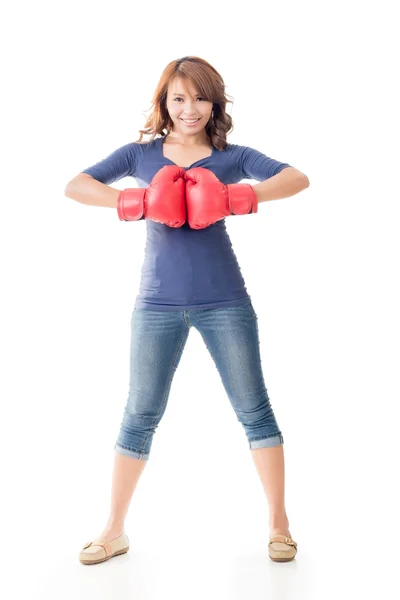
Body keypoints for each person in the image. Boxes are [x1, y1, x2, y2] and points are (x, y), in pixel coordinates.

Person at [64, 56, 309, 565]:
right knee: (139, 416)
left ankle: (280, 526)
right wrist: (133, 203)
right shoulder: (142, 155)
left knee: (255, 411)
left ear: (213, 103)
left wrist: (241, 196)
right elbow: (76, 184)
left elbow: (296, 178)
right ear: (164, 103)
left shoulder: (230, 154)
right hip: (155, 304)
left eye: (200, 97)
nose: (190, 108)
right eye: (179, 98)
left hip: (226, 301)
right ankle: (113, 531)